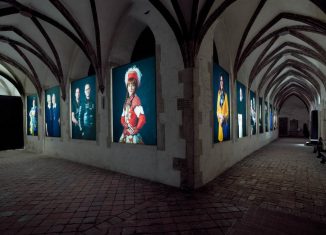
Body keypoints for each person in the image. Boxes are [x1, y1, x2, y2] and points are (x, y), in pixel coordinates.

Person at [119, 66, 146, 144]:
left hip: (133, 136)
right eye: (129, 85)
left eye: (133, 85)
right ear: (127, 86)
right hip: (125, 133)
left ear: (135, 87)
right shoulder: (126, 101)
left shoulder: (136, 100)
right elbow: (122, 117)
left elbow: (142, 118)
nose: (131, 87)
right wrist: (125, 125)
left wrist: (136, 129)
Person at [216, 75, 229, 142]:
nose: (221, 82)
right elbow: (217, 110)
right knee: (220, 139)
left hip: (224, 121)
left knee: (224, 138)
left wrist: (223, 116)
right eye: (220, 80)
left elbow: (227, 111)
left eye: (222, 80)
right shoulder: (218, 93)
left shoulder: (226, 95)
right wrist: (219, 116)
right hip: (220, 121)